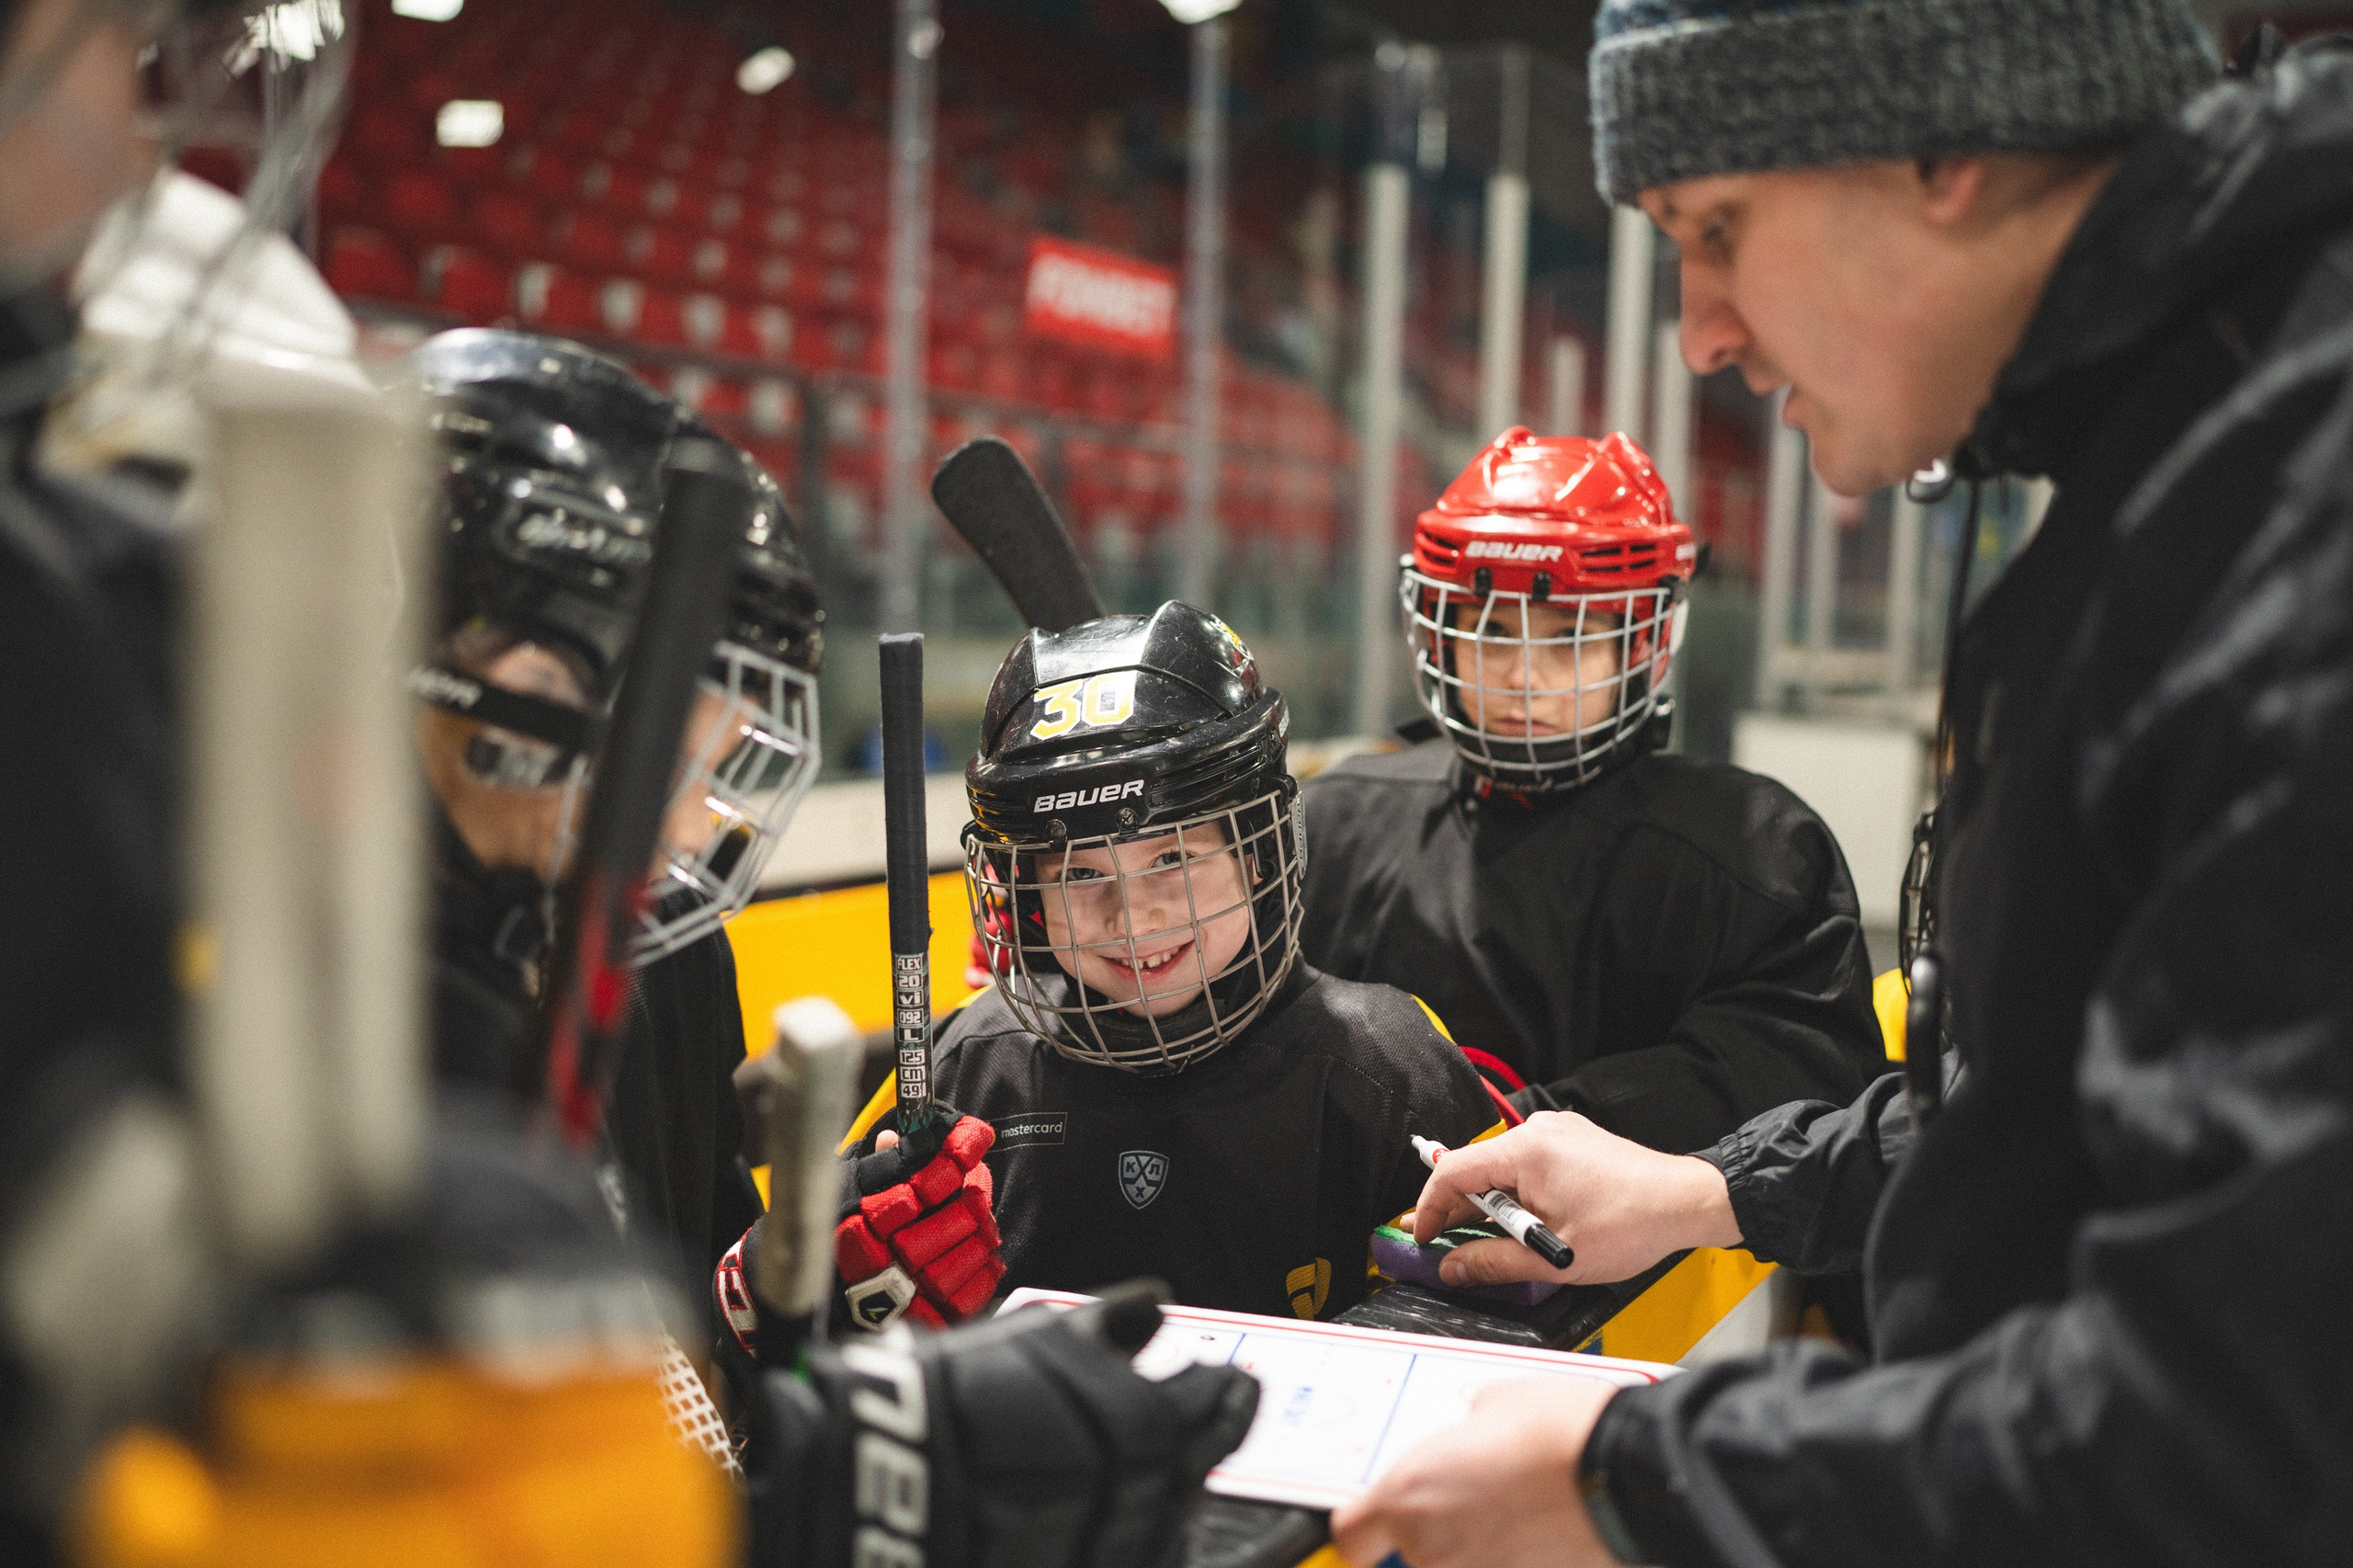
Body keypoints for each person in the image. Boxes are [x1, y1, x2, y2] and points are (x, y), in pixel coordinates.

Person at [0, 7, 1257, 1562]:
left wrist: (780, 1312)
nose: (697, 817)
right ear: (504, 694)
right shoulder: (174, 994)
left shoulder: (633, 964)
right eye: (685, 746)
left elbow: (622, 1393)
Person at [1333, 4, 2353, 1566]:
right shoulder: (2194, 456)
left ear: (1942, 140)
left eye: (1718, 227)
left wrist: (1646, 1478)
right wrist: (1703, 1192)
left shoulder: (2295, 531)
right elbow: (2044, 1128)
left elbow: (2245, 1434)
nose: (1703, 333)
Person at [839, 601, 1507, 1326]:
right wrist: (850, 1300)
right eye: (1079, 874)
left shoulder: (1389, 1065)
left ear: (1257, 853)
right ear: (1026, 894)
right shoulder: (969, 1068)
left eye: (1171, 858)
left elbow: (1504, 1322)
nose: (1131, 919)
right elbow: (784, 1300)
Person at [1300, 427, 1884, 1155]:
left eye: (1564, 634)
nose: (1521, 676)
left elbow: (1796, 1079)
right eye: (1492, 632)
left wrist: (1517, 1134)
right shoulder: (1336, 822)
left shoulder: (1752, 853)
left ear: (1641, 643)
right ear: (1440, 634)